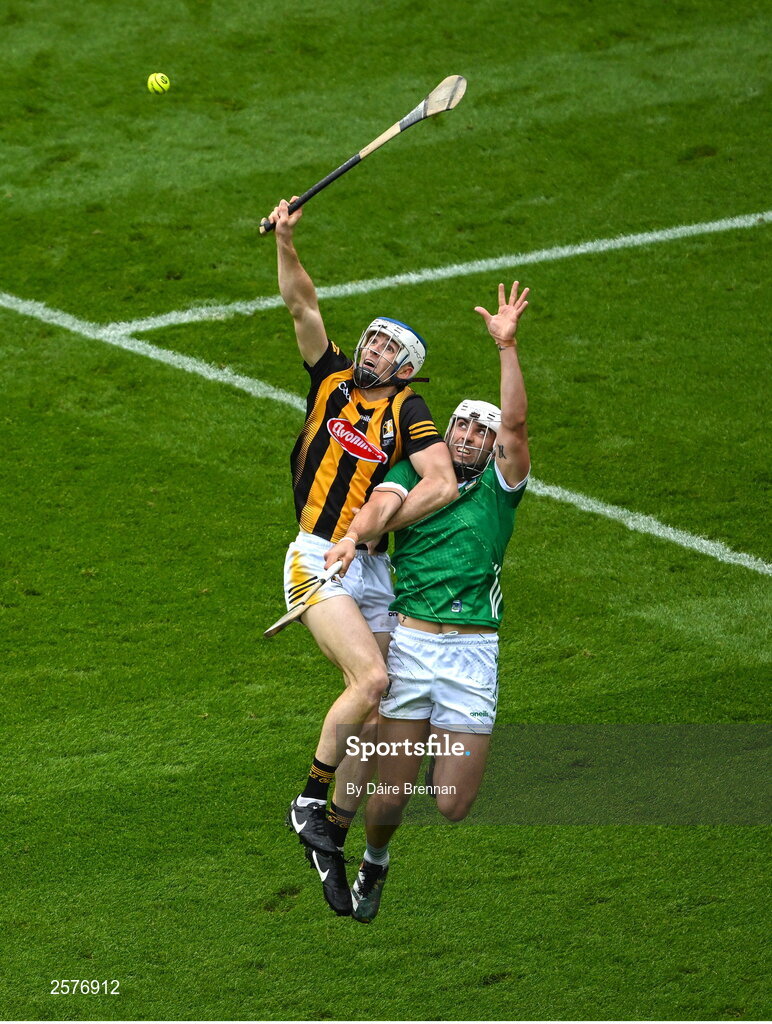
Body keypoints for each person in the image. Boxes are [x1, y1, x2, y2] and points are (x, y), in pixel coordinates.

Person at [267, 198, 457, 917]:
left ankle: (333, 837)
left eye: (385, 348)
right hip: (316, 553)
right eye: (370, 340)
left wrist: (379, 525)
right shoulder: (332, 381)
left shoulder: (406, 411)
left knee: (379, 722)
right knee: (371, 677)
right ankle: (310, 800)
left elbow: (439, 482)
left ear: (405, 367)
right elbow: (301, 304)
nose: (371, 350)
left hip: (370, 569)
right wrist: (286, 240)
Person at [325, 280, 531, 923]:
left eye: (481, 427)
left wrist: (507, 347)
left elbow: (518, 422)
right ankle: (374, 864)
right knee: (390, 793)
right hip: (411, 644)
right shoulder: (416, 471)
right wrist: (359, 534)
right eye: (462, 423)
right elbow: (381, 503)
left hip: (473, 653)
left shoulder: (503, 487)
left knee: (450, 803)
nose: (470, 432)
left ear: (494, 445)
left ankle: (382, 801)